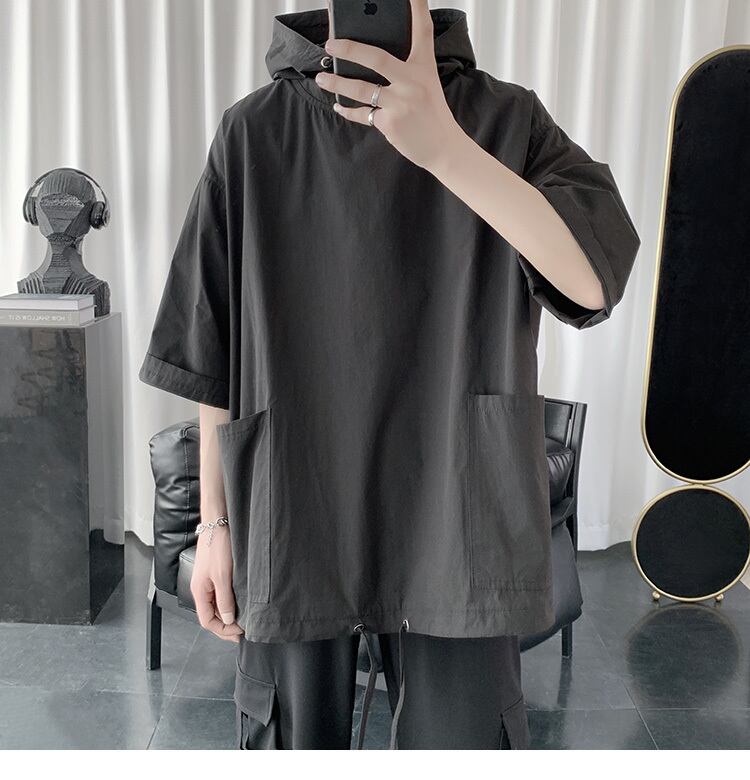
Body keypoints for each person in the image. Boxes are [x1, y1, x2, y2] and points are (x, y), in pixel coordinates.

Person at [139, 1, 641, 749]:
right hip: (291, 501)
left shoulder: (504, 121)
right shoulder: (253, 132)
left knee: (463, 744)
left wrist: (446, 149)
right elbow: (212, 351)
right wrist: (214, 524)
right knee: (290, 741)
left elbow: (595, 281)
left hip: (460, 505)